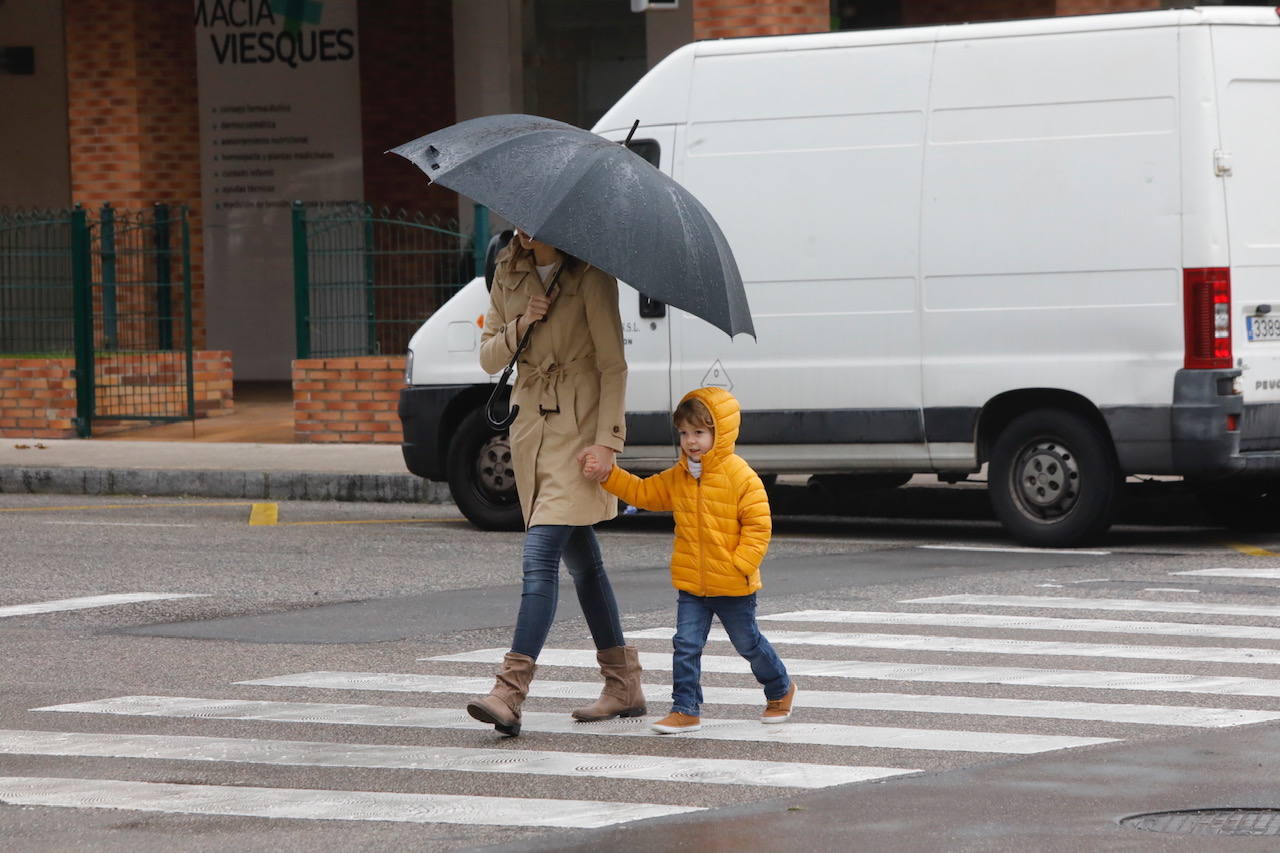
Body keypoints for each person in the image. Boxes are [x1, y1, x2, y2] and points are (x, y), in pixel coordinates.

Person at [465, 227, 645, 738]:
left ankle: (510, 691)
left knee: (541, 553)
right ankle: (623, 683)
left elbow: (613, 365)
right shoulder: (507, 269)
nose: (526, 224)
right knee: (584, 563)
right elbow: (488, 357)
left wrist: (608, 440)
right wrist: (524, 320)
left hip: (579, 429)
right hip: (530, 434)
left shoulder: (592, 274)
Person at [582, 386, 796, 733]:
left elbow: (758, 527)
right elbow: (644, 492)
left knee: (748, 643)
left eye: (699, 432)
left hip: (732, 584)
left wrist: (740, 564)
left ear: (719, 432)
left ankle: (780, 689)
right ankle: (685, 708)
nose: (690, 441)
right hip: (692, 584)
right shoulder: (680, 476)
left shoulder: (741, 477)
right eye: (684, 433)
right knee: (685, 645)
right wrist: (609, 475)